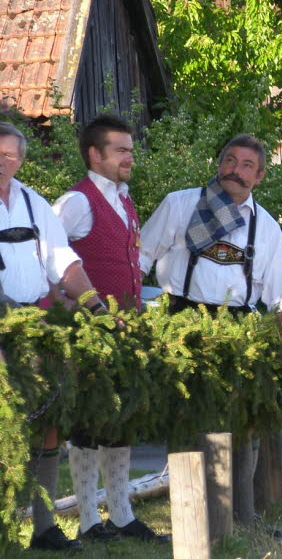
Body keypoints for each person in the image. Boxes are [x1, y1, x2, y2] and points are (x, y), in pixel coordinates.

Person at [138, 134, 282, 525]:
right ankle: (192, 517)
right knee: (190, 422)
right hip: (182, 322)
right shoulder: (180, 204)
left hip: (238, 328)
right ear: (218, 163)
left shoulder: (267, 228)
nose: (235, 170)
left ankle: (241, 515)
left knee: (241, 424)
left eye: (247, 166)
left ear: (259, 176)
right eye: (230, 160)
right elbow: (139, 255)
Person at [52, 114, 170, 543]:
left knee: (121, 421)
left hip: (124, 334)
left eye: (130, 150)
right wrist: (68, 303)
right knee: (87, 423)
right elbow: (44, 254)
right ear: (94, 154)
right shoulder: (76, 202)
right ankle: (87, 520)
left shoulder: (124, 200)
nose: (129, 157)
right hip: (89, 334)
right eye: (120, 150)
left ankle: (121, 515)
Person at [0, 122, 107, 551]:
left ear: (22, 160)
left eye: (10, 155)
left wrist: (97, 307)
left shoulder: (32, 203)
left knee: (46, 424)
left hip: (32, 326)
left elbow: (64, 263)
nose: (3, 162)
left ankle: (43, 527)